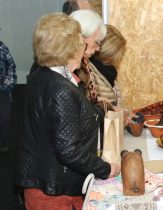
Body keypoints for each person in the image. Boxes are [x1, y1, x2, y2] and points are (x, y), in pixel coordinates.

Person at [15, 13, 120, 210]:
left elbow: (69, 121)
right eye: (80, 42)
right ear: (70, 47)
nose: (84, 48)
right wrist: (105, 169)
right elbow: (68, 150)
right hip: (53, 192)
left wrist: (98, 109)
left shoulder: (44, 76)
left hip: (45, 185)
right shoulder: (61, 88)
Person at [90, 24, 127, 106]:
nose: (119, 57)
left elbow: (115, 107)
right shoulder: (90, 75)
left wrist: (125, 113)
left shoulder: (110, 73)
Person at [0, 38, 17, 153]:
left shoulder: (2, 48)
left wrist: (6, 87)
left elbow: (11, 67)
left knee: (4, 117)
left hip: (2, 90)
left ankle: (4, 144)